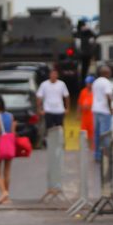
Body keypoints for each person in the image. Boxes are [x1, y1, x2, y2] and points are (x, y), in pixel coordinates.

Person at [36, 68, 70, 200]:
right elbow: (39, 97)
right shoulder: (44, 85)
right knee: (50, 130)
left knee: (60, 129)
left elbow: (66, 96)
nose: (54, 75)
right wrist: (40, 109)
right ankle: (50, 144)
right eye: (52, 73)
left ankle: (61, 144)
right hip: (49, 110)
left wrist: (67, 108)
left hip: (59, 110)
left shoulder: (61, 84)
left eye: (56, 73)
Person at [90, 65, 113, 162]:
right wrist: (110, 108)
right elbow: (108, 96)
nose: (110, 74)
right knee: (105, 134)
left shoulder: (95, 82)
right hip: (104, 111)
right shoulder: (107, 82)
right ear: (106, 73)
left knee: (97, 134)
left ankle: (97, 155)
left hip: (96, 110)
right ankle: (106, 155)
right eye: (109, 72)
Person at [78, 74, 95, 148]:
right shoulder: (83, 92)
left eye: (89, 83)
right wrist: (78, 113)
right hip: (84, 117)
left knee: (92, 135)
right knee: (83, 133)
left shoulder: (95, 92)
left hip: (92, 116)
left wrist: (89, 107)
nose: (88, 85)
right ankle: (84, 148)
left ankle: (92, 148)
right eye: (87, 83)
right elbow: (79, 103)